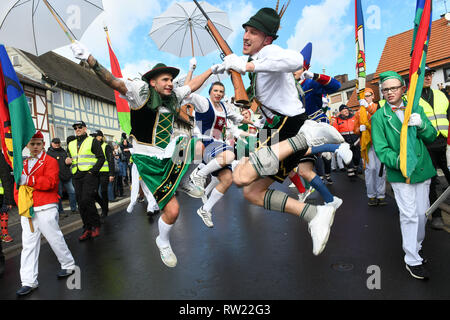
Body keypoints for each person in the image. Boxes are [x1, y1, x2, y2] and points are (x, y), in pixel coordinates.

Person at [71, 41, 213, 267]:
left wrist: (212, 69)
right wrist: (90, 59)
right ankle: (163, 241)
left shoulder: (173, 95)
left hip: (166, 154)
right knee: (173, 211)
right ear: (153, 82)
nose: (169, 83)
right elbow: (113, 81)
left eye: (170, 79)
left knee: (196, 145)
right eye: (165, 80)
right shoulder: (140, 92)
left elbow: (192, 85)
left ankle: (184, 180)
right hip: (147, 160)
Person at [216, 7, 345, 256]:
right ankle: (314, 214)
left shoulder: (270, 52)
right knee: (252, 193)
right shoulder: (261, 57)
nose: (245, 36)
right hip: (278, 127)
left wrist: (246, 65)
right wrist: (233, 73)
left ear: (267, 39)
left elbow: (296, 60)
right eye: (245, 31)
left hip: (290, 125)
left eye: (253, 32)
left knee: (242, 177)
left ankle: (309, 136)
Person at [371, 71, 436, 280]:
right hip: (401, 174)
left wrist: (423, 124)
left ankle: (415, 247)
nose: (389, 93)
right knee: (408, 216)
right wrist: (401, 162)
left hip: (422, 169)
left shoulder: (415, 108)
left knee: (421, 214)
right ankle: (412, 259)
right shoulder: (379, 117)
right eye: (385, 89)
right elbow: (381, 149)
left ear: (403, 88)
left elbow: (432, 135)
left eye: (393, 88)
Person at [15, 131, 76, 296]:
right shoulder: (23, 163)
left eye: (38, 144)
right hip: (28, 209)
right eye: (32, 144)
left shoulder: (50, 161)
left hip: (46, 207)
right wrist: (20, 202)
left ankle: (69, 264)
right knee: (28, 246)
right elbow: (18, 188)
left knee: (54, 238)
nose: (35, 147)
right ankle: (28, 281)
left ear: (43, 145)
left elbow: (51, 183)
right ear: (28, 145)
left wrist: (29, 180)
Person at [187, 81, 251, 227]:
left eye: (221, 91)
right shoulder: (203, 103)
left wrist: (255, 124)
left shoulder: (224, 107)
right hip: (205, 141)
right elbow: (187, 93)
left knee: (227, 180)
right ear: (210, 91)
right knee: (230, 155)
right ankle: (199, 174)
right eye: (215, 90)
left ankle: (205, 209)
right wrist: (191, 70)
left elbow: (239, 118)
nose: (218, 93)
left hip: (218, 143)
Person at [420, 66, 450, 230]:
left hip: (443, 142)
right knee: (431, 181)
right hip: (426, 144)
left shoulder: (441, 94)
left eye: (430, 74)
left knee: (448, 174)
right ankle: (436, 214)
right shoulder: (412, 98)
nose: (428, 77)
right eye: (424, 75)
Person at [67, 121, 105, 241]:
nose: (77, 129)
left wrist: (92, 172)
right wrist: (67, 161)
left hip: (89, 175)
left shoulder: (92, 141)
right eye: (75, 128)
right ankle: (87, 228)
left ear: (85, 128)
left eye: (80, 127)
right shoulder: (71, 143)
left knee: (87, 200)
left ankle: (96, 225)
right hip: (76, 176)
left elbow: (101, 158)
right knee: (81, 203)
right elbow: (70, 158)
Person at [353, 88, 387, 206]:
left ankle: (381, 195)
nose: (366, 98)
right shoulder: (358, 112)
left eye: (368, 95)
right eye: (363, 96)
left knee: (380, 170)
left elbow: (379, 117)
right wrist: (359, 130)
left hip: (379, 143)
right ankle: (372, 195)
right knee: (370, 169)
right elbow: (355, 129)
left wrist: (367, 106)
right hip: (366, 144)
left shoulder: (379, 107)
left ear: (373, 96)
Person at [47, 137, 78, 216]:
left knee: (72, 192)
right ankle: (60, 212)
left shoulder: (63, 151)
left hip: (67, 175)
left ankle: (74, 209)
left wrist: (69, 162)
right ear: (52, 143)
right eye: (55, 143)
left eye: (58, 143)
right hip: (57, 177)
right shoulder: (49, 153)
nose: (57, 145)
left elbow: (67, 162)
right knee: (59, 194)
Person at [91, 130, 115, 222]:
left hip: (105, 172)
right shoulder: (92, 146)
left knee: (103, 192)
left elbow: (110, 160)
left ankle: (105, 211)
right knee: (94, 192)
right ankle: (104, 206)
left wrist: (111, 174)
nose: (93, 138)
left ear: (100, 137)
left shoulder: (106, 146)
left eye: (95, 136)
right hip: (95, 172)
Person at [333, 105, 361, 178]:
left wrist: (359, 138)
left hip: (355, 140)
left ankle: (355, 168)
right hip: (345, 141)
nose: (346, 111)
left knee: (357, 157)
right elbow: (335, 132)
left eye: (347, 110)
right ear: (341, 112)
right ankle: (351, 172)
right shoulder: (337, 120)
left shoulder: (354, 117)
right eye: (344, 110)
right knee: (348, 157)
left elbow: (359, 127)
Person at [0, 150, 14, 276]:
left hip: (1, 196)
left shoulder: (0, 156)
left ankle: (4, 234)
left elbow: (6, 178)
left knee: (4, 214)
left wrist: (9, 199)